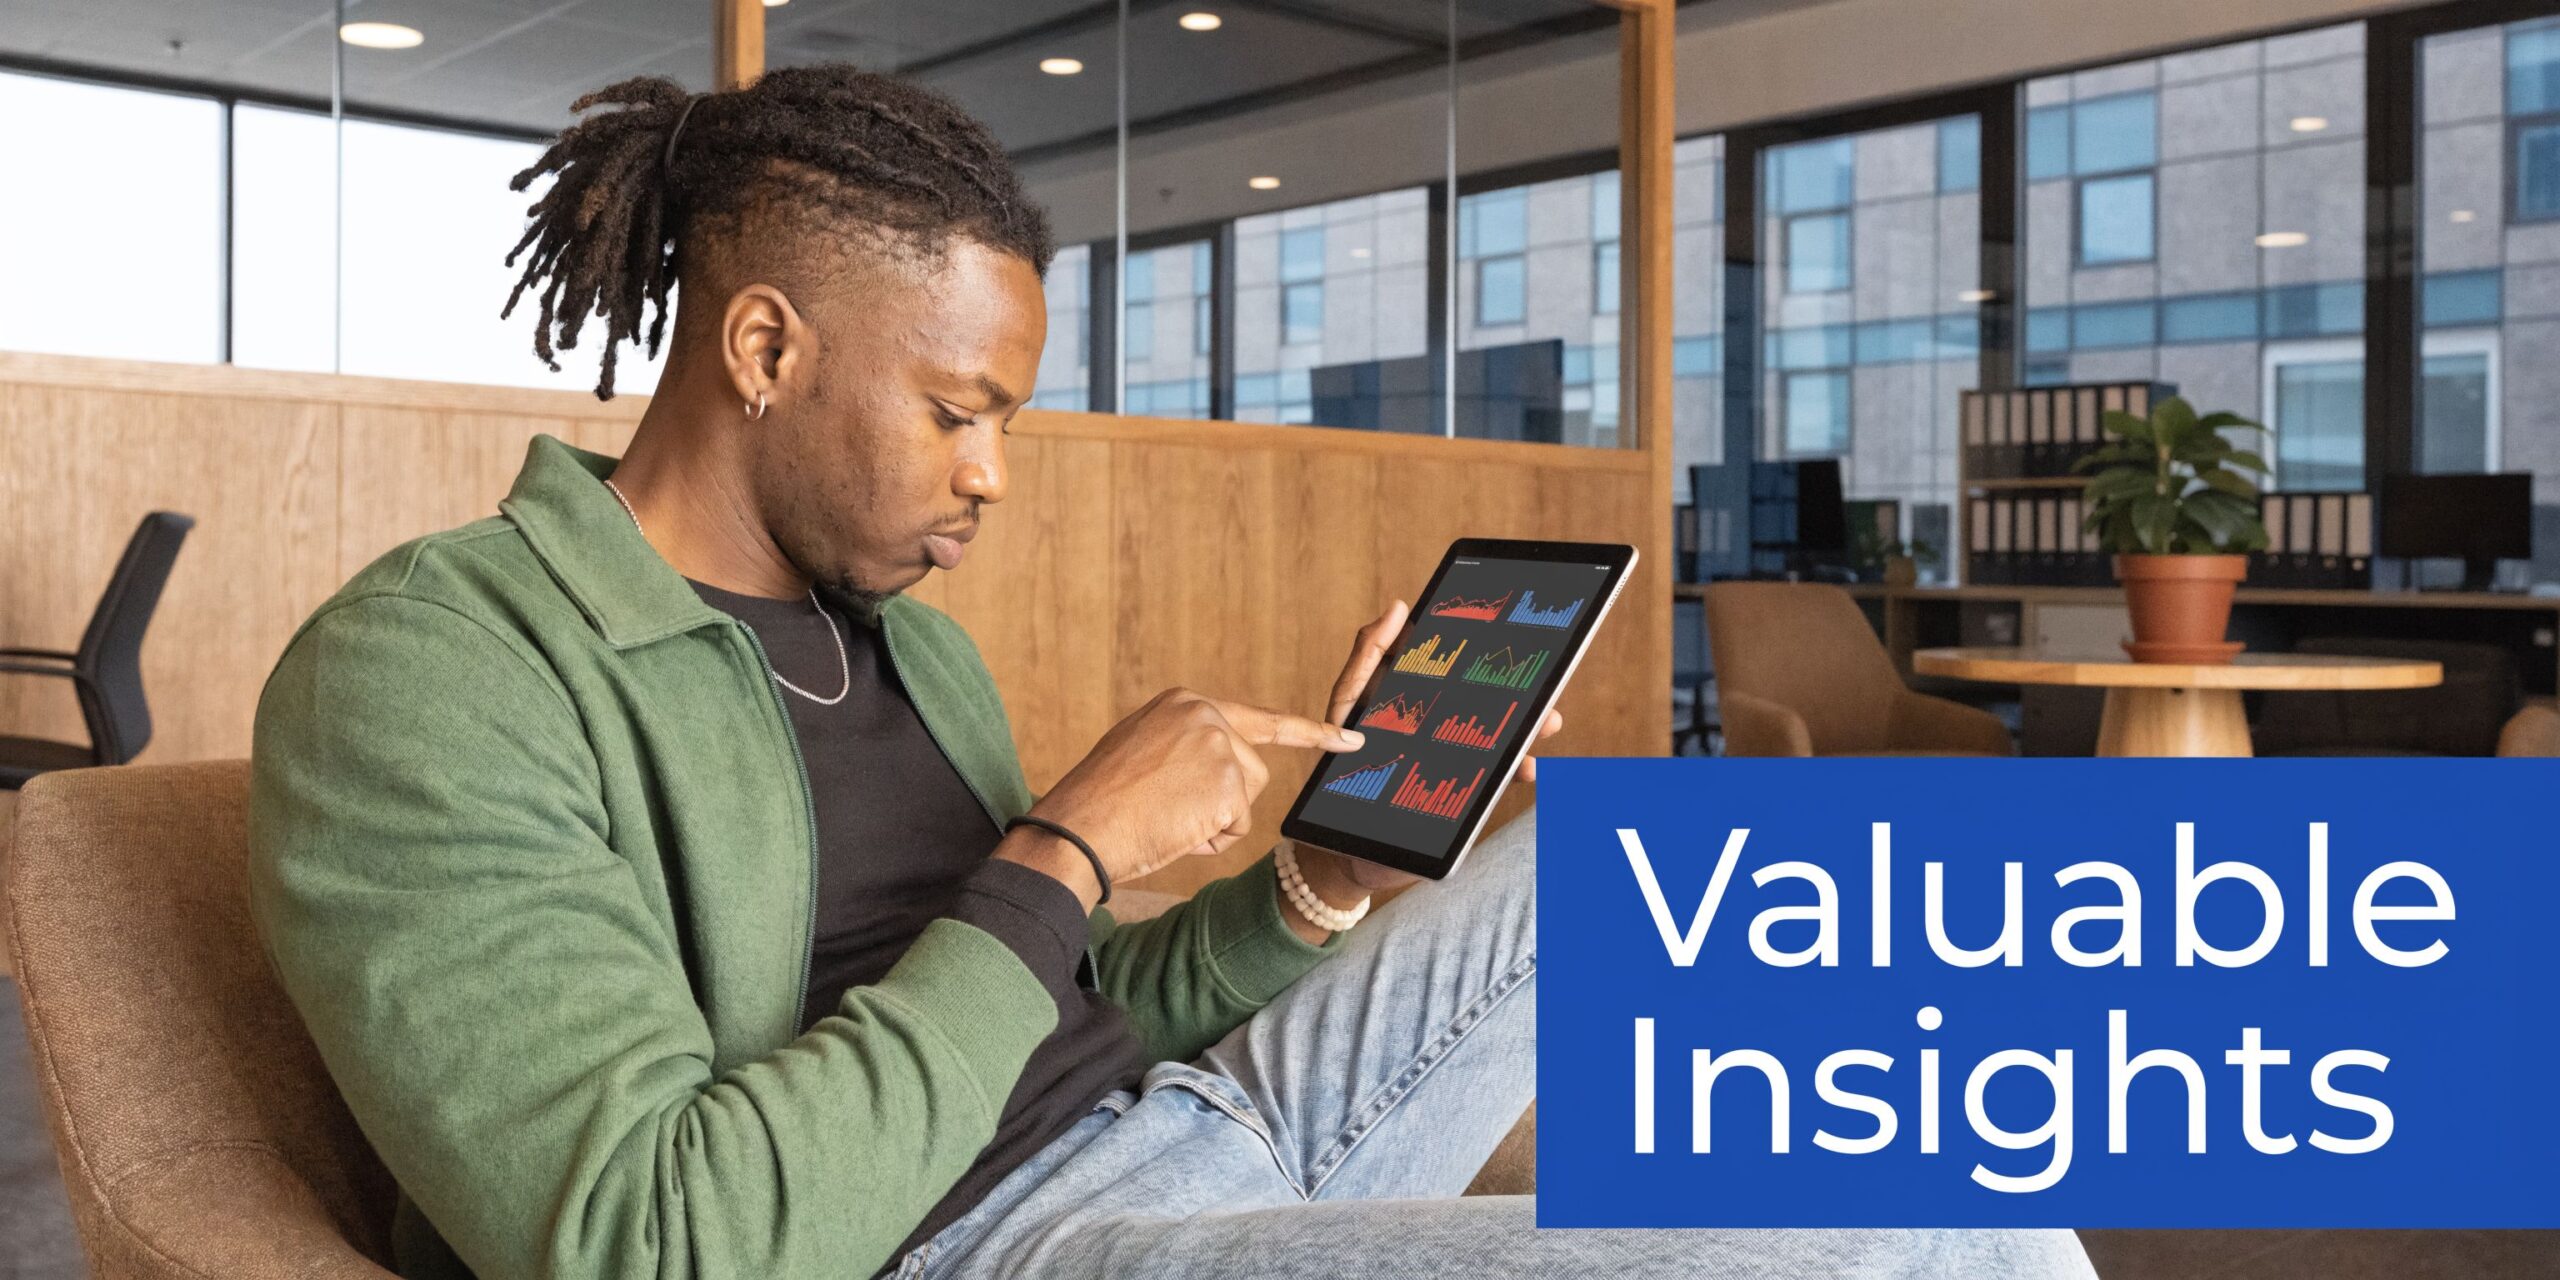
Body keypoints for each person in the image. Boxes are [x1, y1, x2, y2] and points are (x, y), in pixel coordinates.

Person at [247, 65, 2093, 1280]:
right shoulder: (444, 666)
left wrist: (1316, 884)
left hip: (1193, 1121)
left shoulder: (904, 644)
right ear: (762, 345)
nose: (992, 470)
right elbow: (654, 1235)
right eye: (959, 410)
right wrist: (1057, 853)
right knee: (1928, 1239)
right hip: (1006, 1249)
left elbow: (1070, 1003)